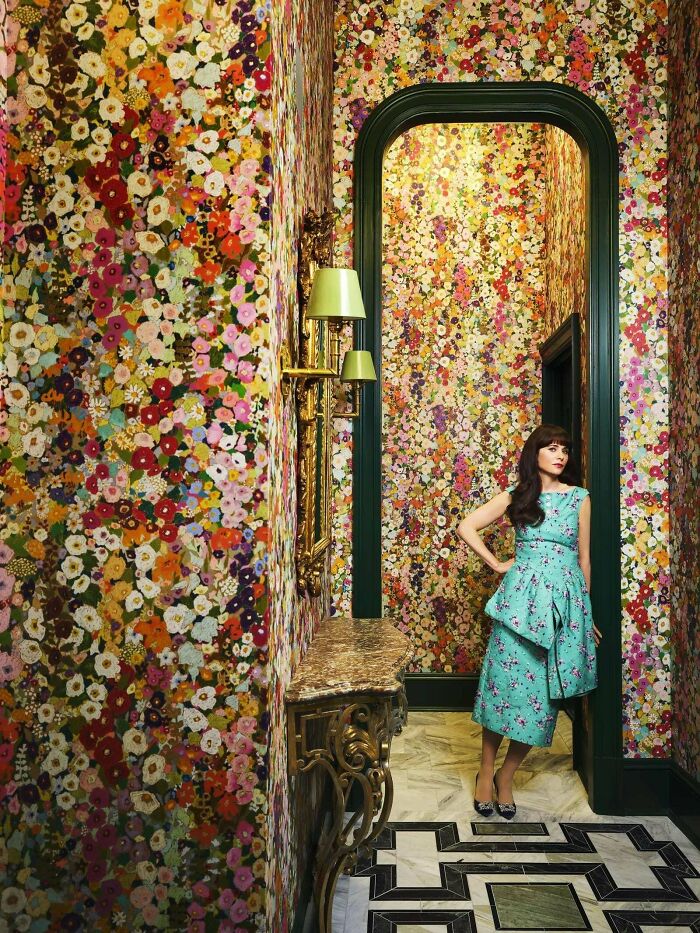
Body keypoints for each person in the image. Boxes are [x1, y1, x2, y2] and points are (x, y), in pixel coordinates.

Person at [456, 424, 602, 819]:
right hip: (519, 605)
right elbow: (466, 526)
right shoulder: (518, 495)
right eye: (551, 448)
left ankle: (506, 776)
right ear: (534, 453)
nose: (560, 455)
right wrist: (496, 563)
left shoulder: (580, 498)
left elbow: (584, 560)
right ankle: (485, 772)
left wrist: (584, 615)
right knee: (501, 689)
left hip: (562, 609)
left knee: (542, 700)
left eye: (564, 449)